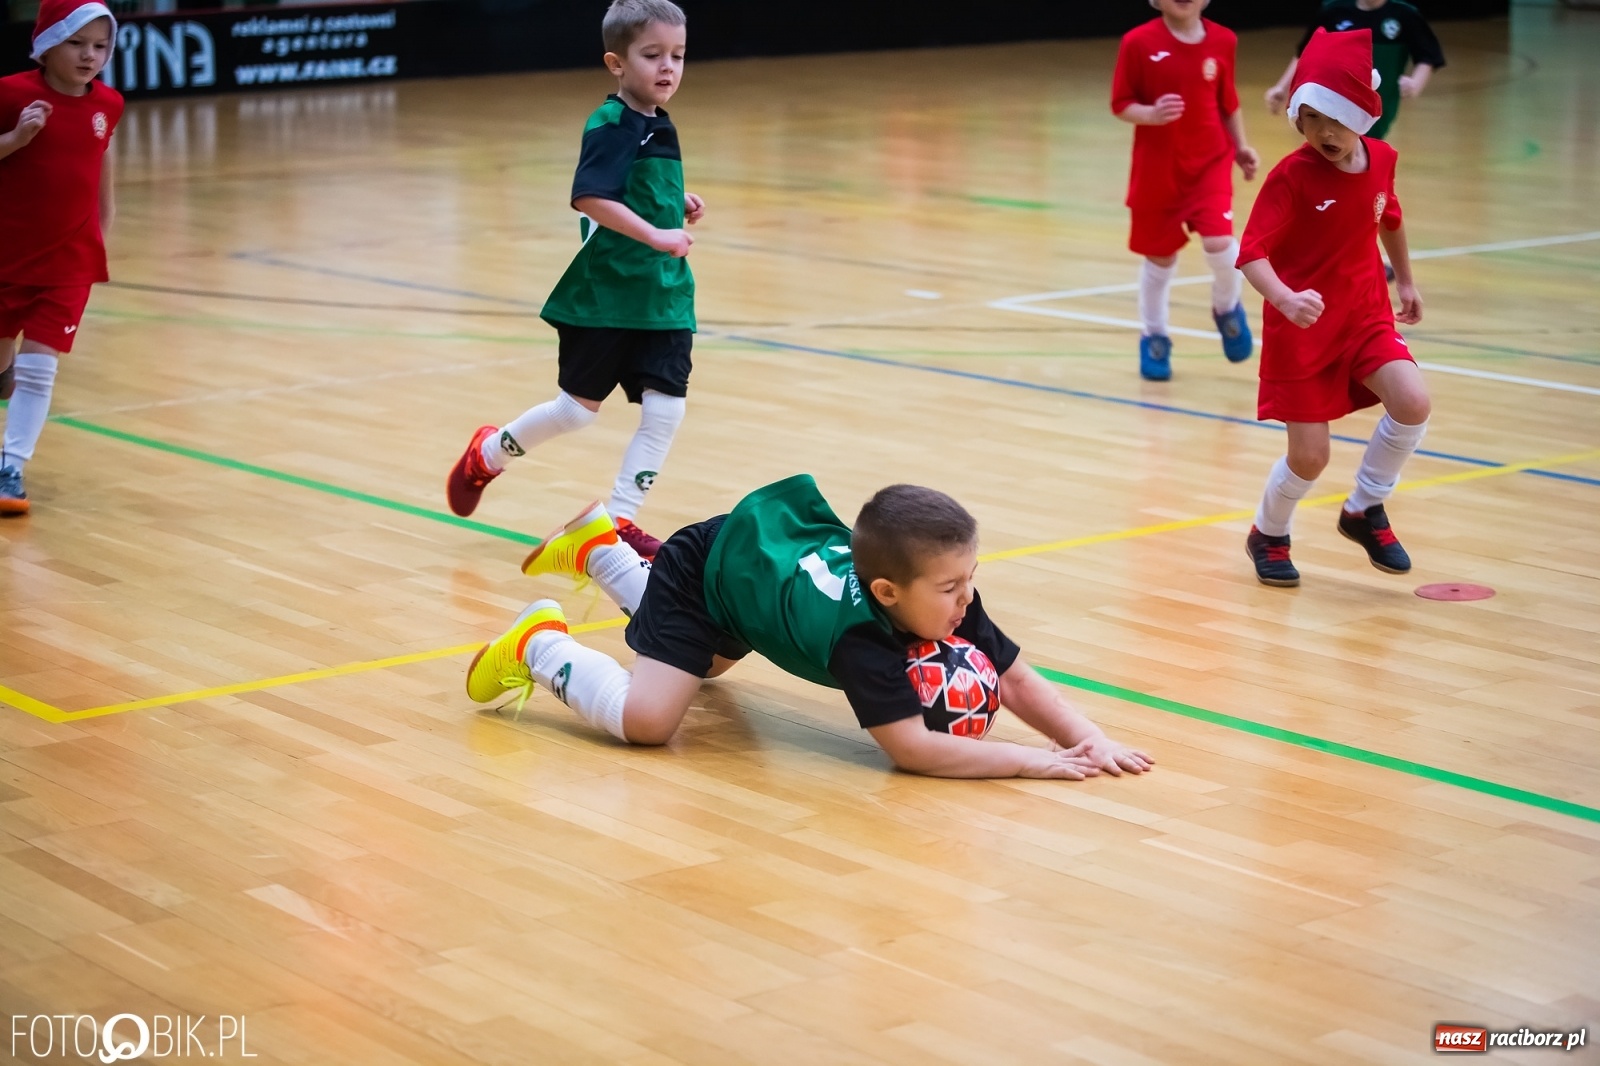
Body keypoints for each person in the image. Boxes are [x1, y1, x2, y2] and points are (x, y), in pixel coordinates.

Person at [465, 476, 1155, 780]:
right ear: (887, 591)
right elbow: (912, 751)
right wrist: (1036, 761)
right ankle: (541, 644)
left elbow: (1013, 675)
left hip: (751, 573)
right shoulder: (864, 639)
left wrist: (1087, 739)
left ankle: (602, 549)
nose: (966, 600)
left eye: (969, 578)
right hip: (705, 568)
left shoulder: (942, 596)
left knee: (704, 673)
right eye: (951, 587)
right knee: (650, 722)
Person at [446, 0, 703, 559]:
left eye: (678, 56)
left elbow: (632, 188)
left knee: (667, 409)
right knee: (574, 412)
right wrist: (657, 234)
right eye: (652, 55)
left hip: (662, 295)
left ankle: (619, 521)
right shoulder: (610, 124)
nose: (668, 68)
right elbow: (590, 196)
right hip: (607, 295)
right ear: (616, 62)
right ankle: (489, 454)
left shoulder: (659, 121)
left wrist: (671, 203)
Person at [1238, 28, 1431, 588]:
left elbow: (1388, 216)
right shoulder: (1292, 177)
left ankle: (1365, 507)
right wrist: (1284, 297)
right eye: (1313, 117)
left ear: (1364, 115)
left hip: (1364, 314)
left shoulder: (1382, 159)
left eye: (1338, 118)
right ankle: (1268, 532)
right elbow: (1252, 254)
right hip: (1303, 327)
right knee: (1310, 457)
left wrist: (1408, 283)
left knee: (1413, 401)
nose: (1325, 131)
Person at [0, 0, 122, 515]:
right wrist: (16, 137)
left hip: (71, 260)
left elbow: (101, 168)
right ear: (47, 44)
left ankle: (11, 466)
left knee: (37, 369)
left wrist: (102, 229)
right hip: (9, 254)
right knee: (5, 365)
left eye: (100, 45)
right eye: (76, 43)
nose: (89, 55)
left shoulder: (109, 104)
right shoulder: (10, 93)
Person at [1112, 0, 1261, 382]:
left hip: (1209, 163)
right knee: (1159, 261)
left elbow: (1228, 102)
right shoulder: (1137, 42)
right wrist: (1149, 114)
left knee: (1221, 245)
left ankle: (1226, 308)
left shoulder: (1224, 40)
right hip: (1157, 173)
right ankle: (1155, 336)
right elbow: (1121, 103)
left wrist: (1241, 147)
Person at [1264, 0, 1446, 142]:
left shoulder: (1404, 14)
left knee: (1364, 147)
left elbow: (1428, 55)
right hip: (1333, 98)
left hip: (1381, 99)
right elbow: (1305, 53)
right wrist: (1282, 87)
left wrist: (1416, 82)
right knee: (1335, 146)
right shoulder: (1334, 11)